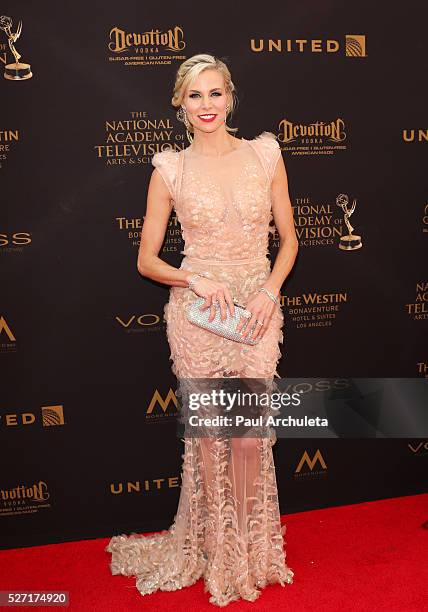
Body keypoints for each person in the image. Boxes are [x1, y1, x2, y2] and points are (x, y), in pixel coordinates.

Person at [106, 53, 299, 607]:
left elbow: (288, 240)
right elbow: (147, 260)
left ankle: (247, 553)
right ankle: (218, 552)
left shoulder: (265, 154)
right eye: (195, 95)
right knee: (213, 438)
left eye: (216, 94)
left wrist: (267, 292)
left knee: (245, 438)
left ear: (231, 98)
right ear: (179, 104)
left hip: (257, 311)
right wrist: (195, 280)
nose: (207, 105)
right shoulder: (170, 169)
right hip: (198, 319)